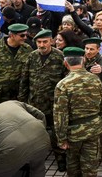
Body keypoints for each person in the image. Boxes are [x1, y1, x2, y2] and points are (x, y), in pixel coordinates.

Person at [18, 29, 68, 171]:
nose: (41, 45)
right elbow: (24, 80)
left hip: (54, 104)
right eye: (39, 42)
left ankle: (60, 158)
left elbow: (66, 81)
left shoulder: (60, 57)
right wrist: (22, 101)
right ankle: (33, 158)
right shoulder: (31, 57)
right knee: (33, 133)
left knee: (57, 132)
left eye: (45, 41)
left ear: (51, 41)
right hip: (35, 103)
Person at [53, 46, 102, 177]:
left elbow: (60, 115)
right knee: (91, 169)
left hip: (73, 134)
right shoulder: (95, 79)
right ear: (83, 61)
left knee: (74, 169)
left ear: (65, 63)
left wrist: (61, 139)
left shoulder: (63, 84)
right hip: (93, 130)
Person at [0, 101, 51, 177]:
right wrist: (41, 130)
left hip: (12, 149)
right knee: (37, 168)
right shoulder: (11, 103)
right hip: (42, 137)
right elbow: (40, 114)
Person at [81, 37, 102, 177]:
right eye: (86, 49)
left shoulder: (101, 60)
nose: (88, 52)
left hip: (99, 107)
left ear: (98, 50)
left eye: (91, 49)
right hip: (82, 106)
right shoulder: (81, 60)